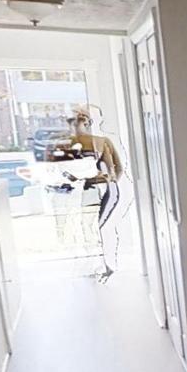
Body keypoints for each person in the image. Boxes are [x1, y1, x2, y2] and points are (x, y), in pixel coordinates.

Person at [58, 106, 123, 280]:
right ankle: (96, 264)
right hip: (82, 191)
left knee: (93, 227)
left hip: (98, 190)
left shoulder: (100, 142)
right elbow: (60, 171)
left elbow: (115, 171)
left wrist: (102, 179)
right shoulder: (65, 144)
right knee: (85, 227)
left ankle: (103, 264)